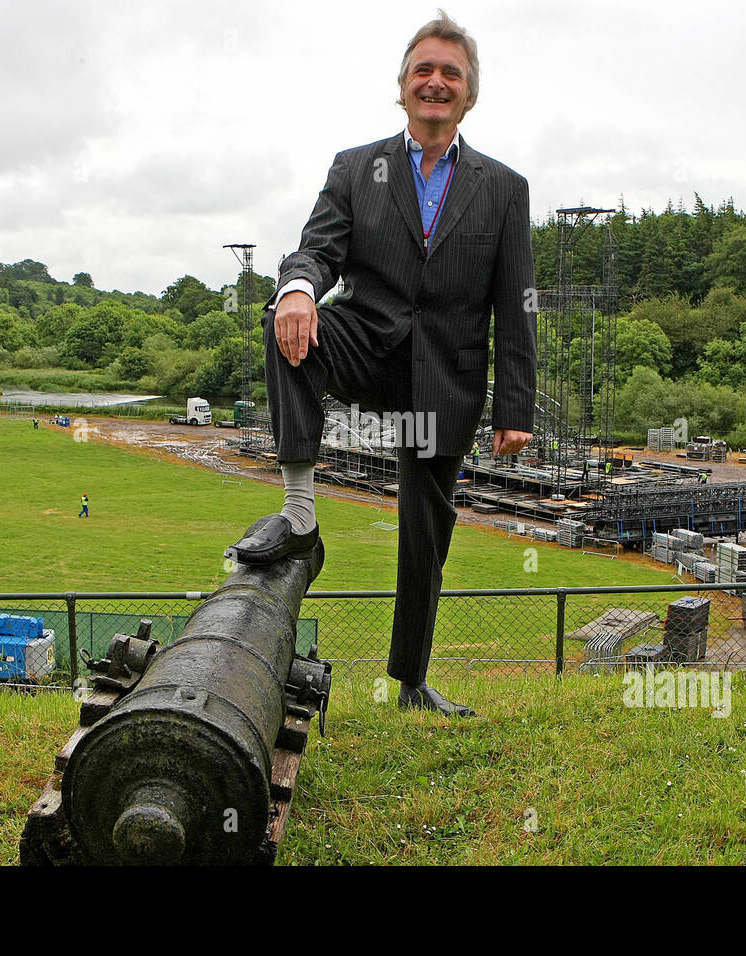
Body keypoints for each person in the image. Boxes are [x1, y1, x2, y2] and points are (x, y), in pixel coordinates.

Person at [225, 11, 534, 717]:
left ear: (469, 94)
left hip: (443, 380)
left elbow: (516, 303)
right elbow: (318, 248)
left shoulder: (504, 188)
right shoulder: (355, 167)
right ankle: (299, 516)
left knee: (427, 527)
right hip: (367, 347)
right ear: (401, 88)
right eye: (423, 70)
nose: (435, 82)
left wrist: (515, 406)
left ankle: (412, 679)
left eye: (450, 73)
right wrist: (299, 287)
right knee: (284, 322)